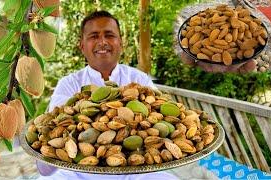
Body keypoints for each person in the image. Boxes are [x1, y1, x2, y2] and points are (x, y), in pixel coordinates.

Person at [36, 10, 178, 180]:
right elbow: (55, 133)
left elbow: (160, 123)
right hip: (78, 172)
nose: (102, 42)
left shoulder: (139, 79)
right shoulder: (68, 83)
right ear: (82, 45)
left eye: (109, 35)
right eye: (94, 36)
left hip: (135, 172)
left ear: (121, 42)